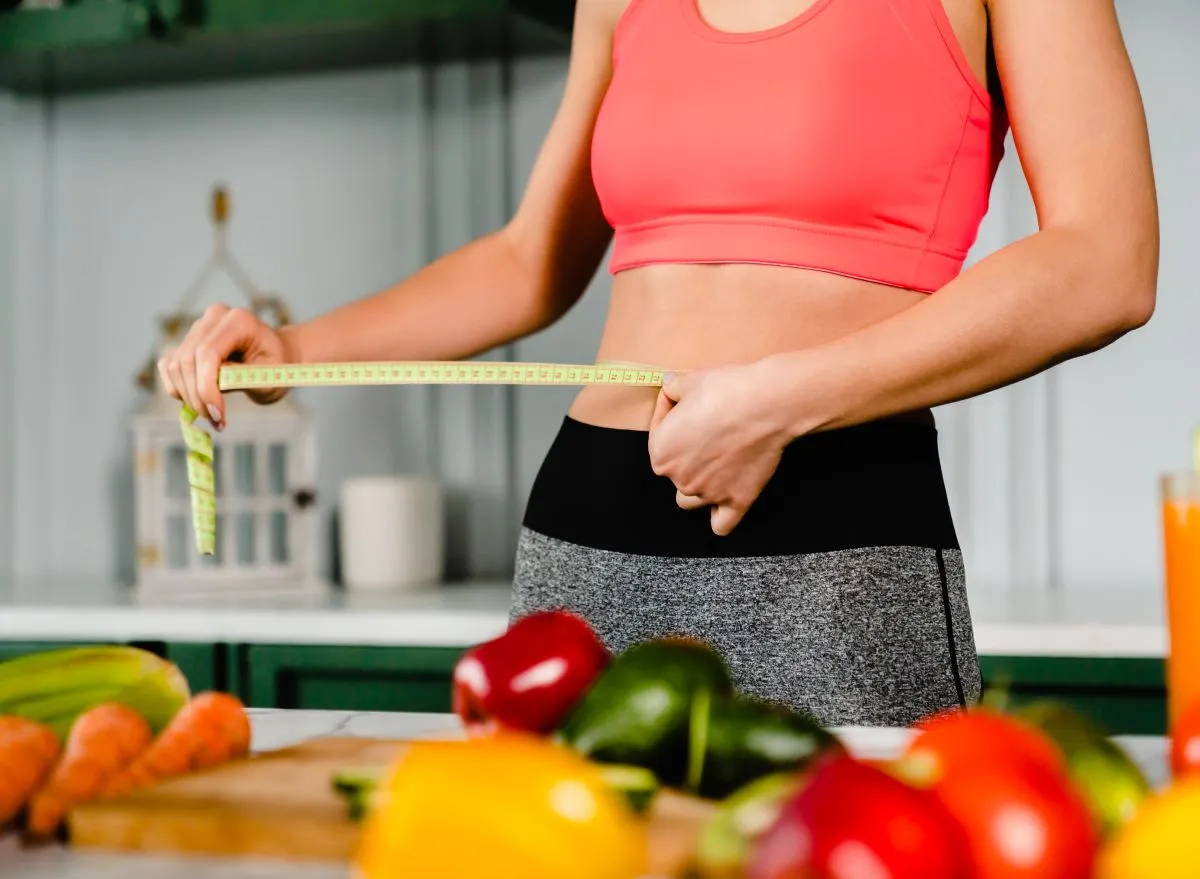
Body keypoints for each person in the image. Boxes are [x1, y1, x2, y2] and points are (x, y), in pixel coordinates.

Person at [160, 0, 1158, 727]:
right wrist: (296, 350)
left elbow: (1107, 260)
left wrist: (786, 399)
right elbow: (526, 262)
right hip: (584, 540)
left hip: (836, 543)